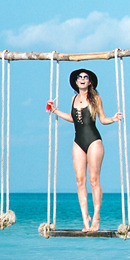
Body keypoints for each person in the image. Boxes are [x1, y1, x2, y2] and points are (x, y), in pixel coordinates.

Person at [48, 69, 122, 232]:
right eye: (79, 77)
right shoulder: (73, 98)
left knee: (93, 180)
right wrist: (54, 111)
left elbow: (102, 119)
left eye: (85, 77)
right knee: (80, 181)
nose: (82, 79)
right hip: (78, 142)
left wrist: (114, 119)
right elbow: (73, 118)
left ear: (90, 82)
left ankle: (96, 217)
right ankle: (85, 219)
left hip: (94, 141)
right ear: (75, 82)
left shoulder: (95, 98)